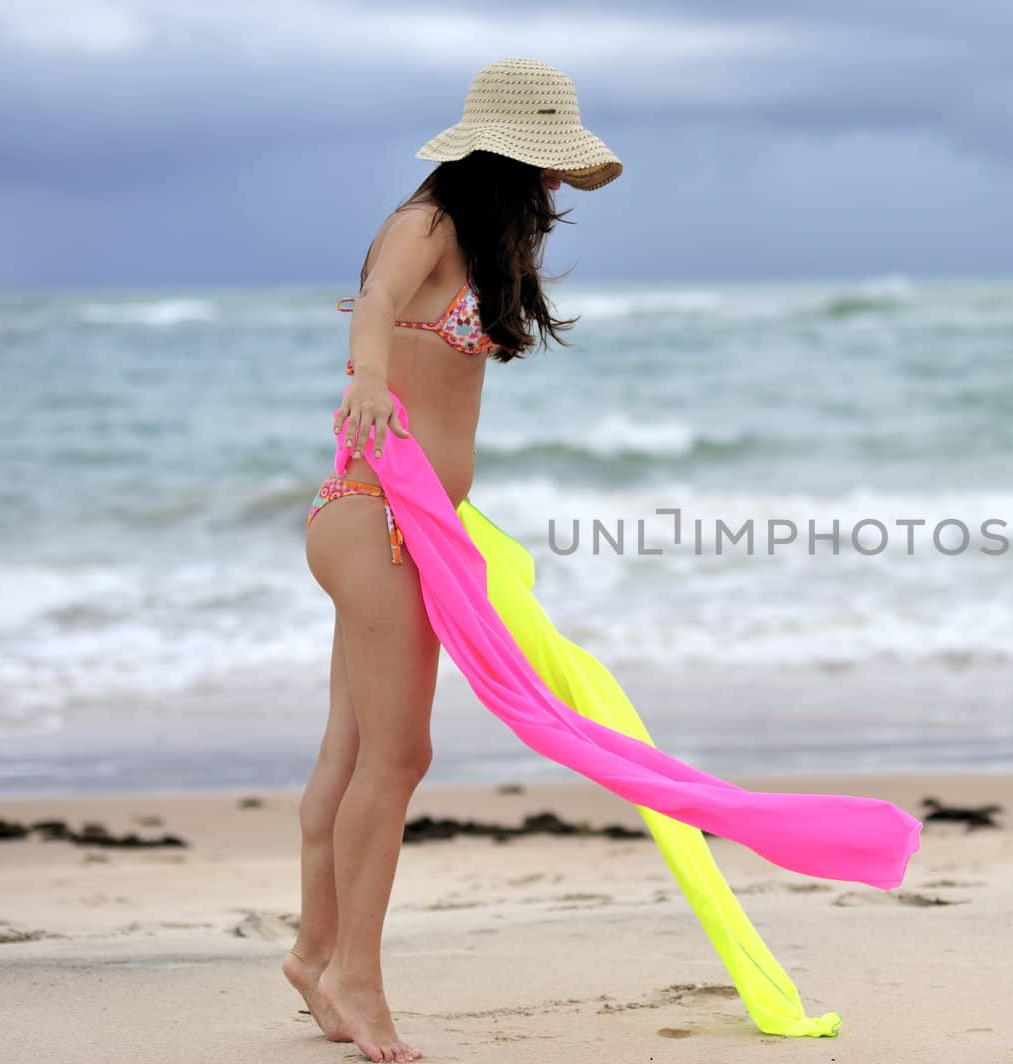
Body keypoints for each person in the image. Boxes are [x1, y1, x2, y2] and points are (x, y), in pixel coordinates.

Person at [287, 58, 623, 1063]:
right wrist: (371, 386)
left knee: (350, 755)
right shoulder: (424, 225)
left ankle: (313, 953)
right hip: (378, 516)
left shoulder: (475, 243)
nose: (557, 186)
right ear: (509, 155)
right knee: (397, 757)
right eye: (549, 166)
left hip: (408, 523)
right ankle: (359, 975)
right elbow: (375, 303)